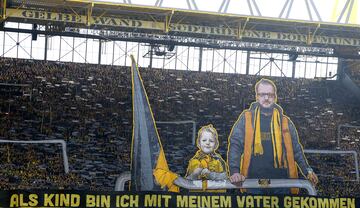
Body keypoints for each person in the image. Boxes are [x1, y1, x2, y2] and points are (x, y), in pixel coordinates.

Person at [227, 78, 318, 194]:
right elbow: (235, 145)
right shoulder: (246, 119)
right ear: (257, 96)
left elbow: (296, 150)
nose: (266, 98)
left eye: (270, 95)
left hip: (282, 184)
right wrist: (235, 171)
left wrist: (308, 171)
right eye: (262, 94)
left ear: (275, 97)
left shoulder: (285, 122)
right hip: (253, 183)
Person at [186, 124, 227, 192]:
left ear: (216, 144)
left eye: (211, 141)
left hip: (217, 198)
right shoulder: (193, 161)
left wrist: (210, 174)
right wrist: (194, 174)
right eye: (204, 140)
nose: (207, 143)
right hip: (197, 198)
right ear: (199, 143)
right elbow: (186, 182)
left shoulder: (219, 160)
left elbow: (226, 177)